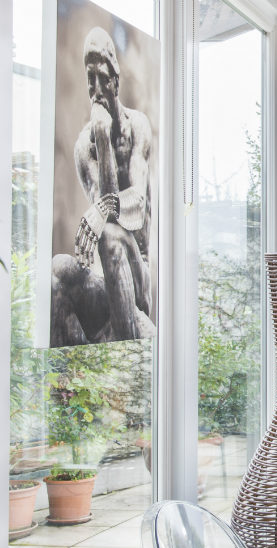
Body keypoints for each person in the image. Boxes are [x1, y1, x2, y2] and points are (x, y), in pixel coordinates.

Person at [52, 26, 154, 346]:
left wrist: (106, 205)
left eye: (102, 77)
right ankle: (82, 375)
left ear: (116, 80)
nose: (96, 89)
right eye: (89, 79)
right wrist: (101, 139)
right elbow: (103, 211)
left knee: (110, 236)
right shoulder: (85, 146)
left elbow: (134, 207)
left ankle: (126, 350)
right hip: (106, 282)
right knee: (58, 271)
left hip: (136, 276)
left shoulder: (138, 127)